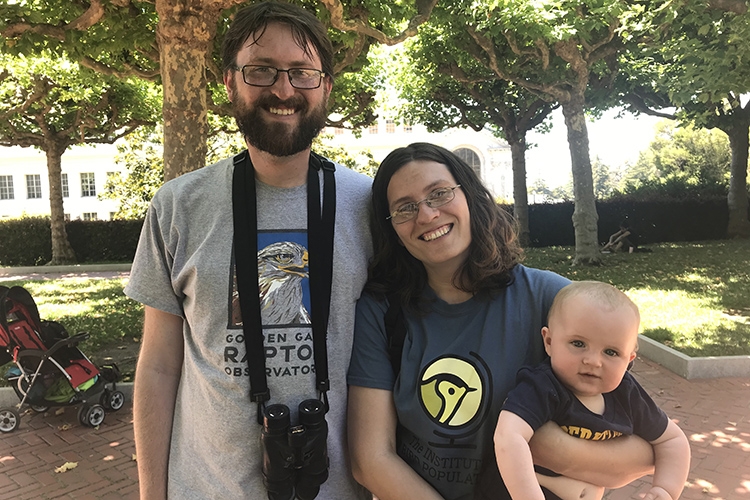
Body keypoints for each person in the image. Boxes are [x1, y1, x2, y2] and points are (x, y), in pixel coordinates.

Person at [124, 3, 372, 499]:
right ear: (229, 81)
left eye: (302, 73)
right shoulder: (178, 205)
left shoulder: (367, 205)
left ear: (325, 86)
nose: (284, 90)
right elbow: (157, 366)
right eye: (261, 70)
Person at [347, 143, 656, 500]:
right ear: (391, 229)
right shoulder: (381, 312)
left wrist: (547, 448)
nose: (427, 215)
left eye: (439, 193)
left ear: (470, 196)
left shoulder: (550, 298)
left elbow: (646, 452)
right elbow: (369, 459)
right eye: (405, 208)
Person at [495, 281, 691, 500]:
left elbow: (672, 441)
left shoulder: (626, 393)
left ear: (629, 360)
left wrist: (665, 489)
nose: (593, 361)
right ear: (549, 341)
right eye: (578, 344)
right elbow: (508, 436)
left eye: (611, 352)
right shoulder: (542, 386)